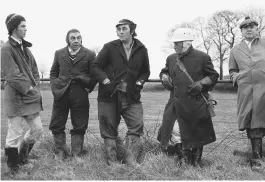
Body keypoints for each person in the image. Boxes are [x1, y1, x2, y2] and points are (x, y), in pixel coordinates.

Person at [92, 19, 150, 166]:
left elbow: (145, 71)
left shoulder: (141, 49)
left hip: (131, 95)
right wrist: (104, 80)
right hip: (109, 95)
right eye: (118, 29)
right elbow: (95, 66)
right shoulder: (109, 47)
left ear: (132, 30)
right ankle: (112, 162)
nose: (121, 32)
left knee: (136, 125)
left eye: (124, 29)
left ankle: (131, 161)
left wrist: (139, 82)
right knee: (108, 127)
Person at [158, 28, 219, 166]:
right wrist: (164, 77)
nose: (174, 46)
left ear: (187, 43)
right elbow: (164, 71)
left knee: (197, 132)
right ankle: (183, 161)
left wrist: (202, 83)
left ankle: (195, 162)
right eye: (174, 43)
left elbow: (214, 76)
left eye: (177, 43)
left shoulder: (203, 57)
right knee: (173, 129)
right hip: (176, 101)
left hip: (195, 103)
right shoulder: (171, 58)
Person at [1, 13, 44, 174]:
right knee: (14, 133)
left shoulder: (24, 47)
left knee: (38, 129)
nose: (26, 29)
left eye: (26, 26)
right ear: (14, 29)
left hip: (30, 98)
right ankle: (13, 167)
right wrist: (29, 88)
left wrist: (36, 85)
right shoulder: (6, 48)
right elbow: (12, 74)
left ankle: (22, 156)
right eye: (23, 26)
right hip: (15, 98)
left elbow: (34, 69)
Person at [49, 29, 97, 159]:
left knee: (80, 124)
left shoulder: (90, 54)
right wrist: (54, 86)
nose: (76, 40)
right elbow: (53, 72)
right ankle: (60, 153)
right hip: (61, 93)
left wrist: (89, 87)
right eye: (73, 38)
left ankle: (76, 154)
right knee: (57, 124)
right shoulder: (59, 53)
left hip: (80, 94)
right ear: (68, 40)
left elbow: (94, 75)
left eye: (79, 38)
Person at [229, 16, 265, 171]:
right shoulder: (235, 50)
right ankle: (257, 159)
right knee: (252, 121)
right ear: (241, 31)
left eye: (252, 26)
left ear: (257, 29)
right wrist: (237, 79)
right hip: (247, 91)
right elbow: (232, 70)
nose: (249, 29)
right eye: (245, 27)